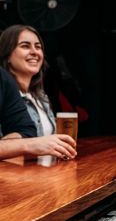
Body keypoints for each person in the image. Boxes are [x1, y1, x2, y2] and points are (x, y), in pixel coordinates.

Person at [0, 25, 76, 160]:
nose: (34, 52)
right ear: (7, 54)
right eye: (25, 46)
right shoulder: (5, 96)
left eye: (38, 47)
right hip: (16, 177)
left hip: (46, 173)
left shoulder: (41, 97)